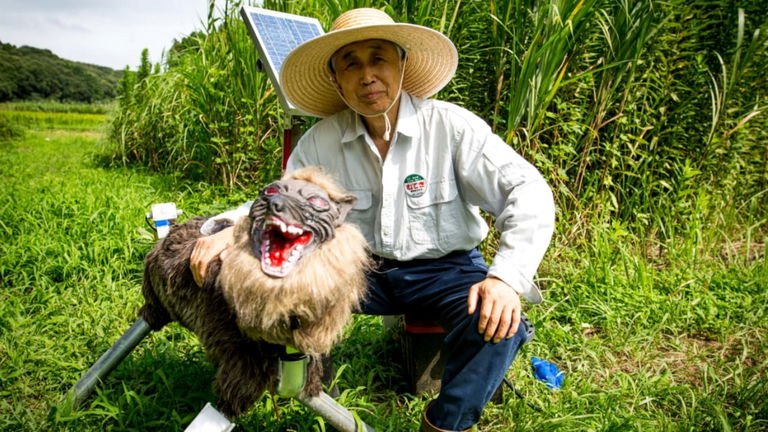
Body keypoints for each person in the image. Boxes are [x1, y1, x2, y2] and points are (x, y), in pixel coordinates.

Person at [191, 8, 555, 432]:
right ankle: (299, 386)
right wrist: (230, 231)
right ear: (336, 79)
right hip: (361, 272)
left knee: (501, 325)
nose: (367, 76)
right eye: (351, 64)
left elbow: (527, 190)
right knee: (269, 287)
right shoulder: (322, 141)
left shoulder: (451, 127)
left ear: (402, 65)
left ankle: (444, 424)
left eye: (378, 58)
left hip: (447, 270)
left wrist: (505, 278)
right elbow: (285, 203)